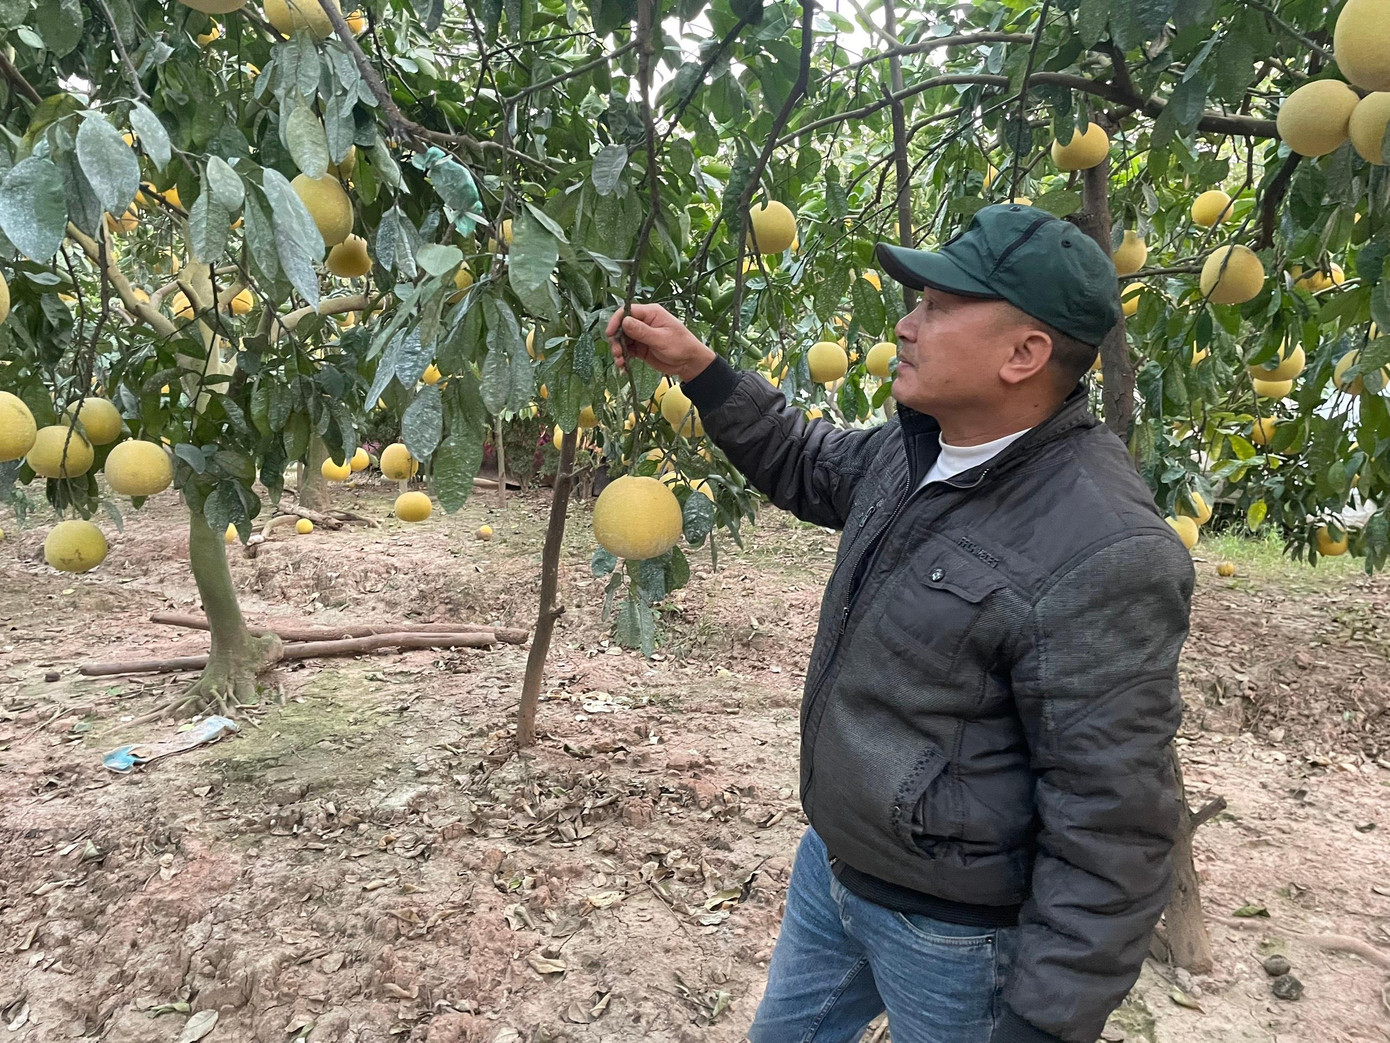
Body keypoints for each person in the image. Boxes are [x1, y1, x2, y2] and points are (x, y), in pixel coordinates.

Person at [605, 203, 1195, 1043]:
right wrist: (700, 368)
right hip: (836, 873)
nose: (906, 324)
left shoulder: (1103, 547)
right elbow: (802, 461)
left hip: (957, 936)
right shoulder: (920, 444)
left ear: (1025, 354)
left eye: (938, 306)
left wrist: (1044, 1023)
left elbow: (1114, 822)